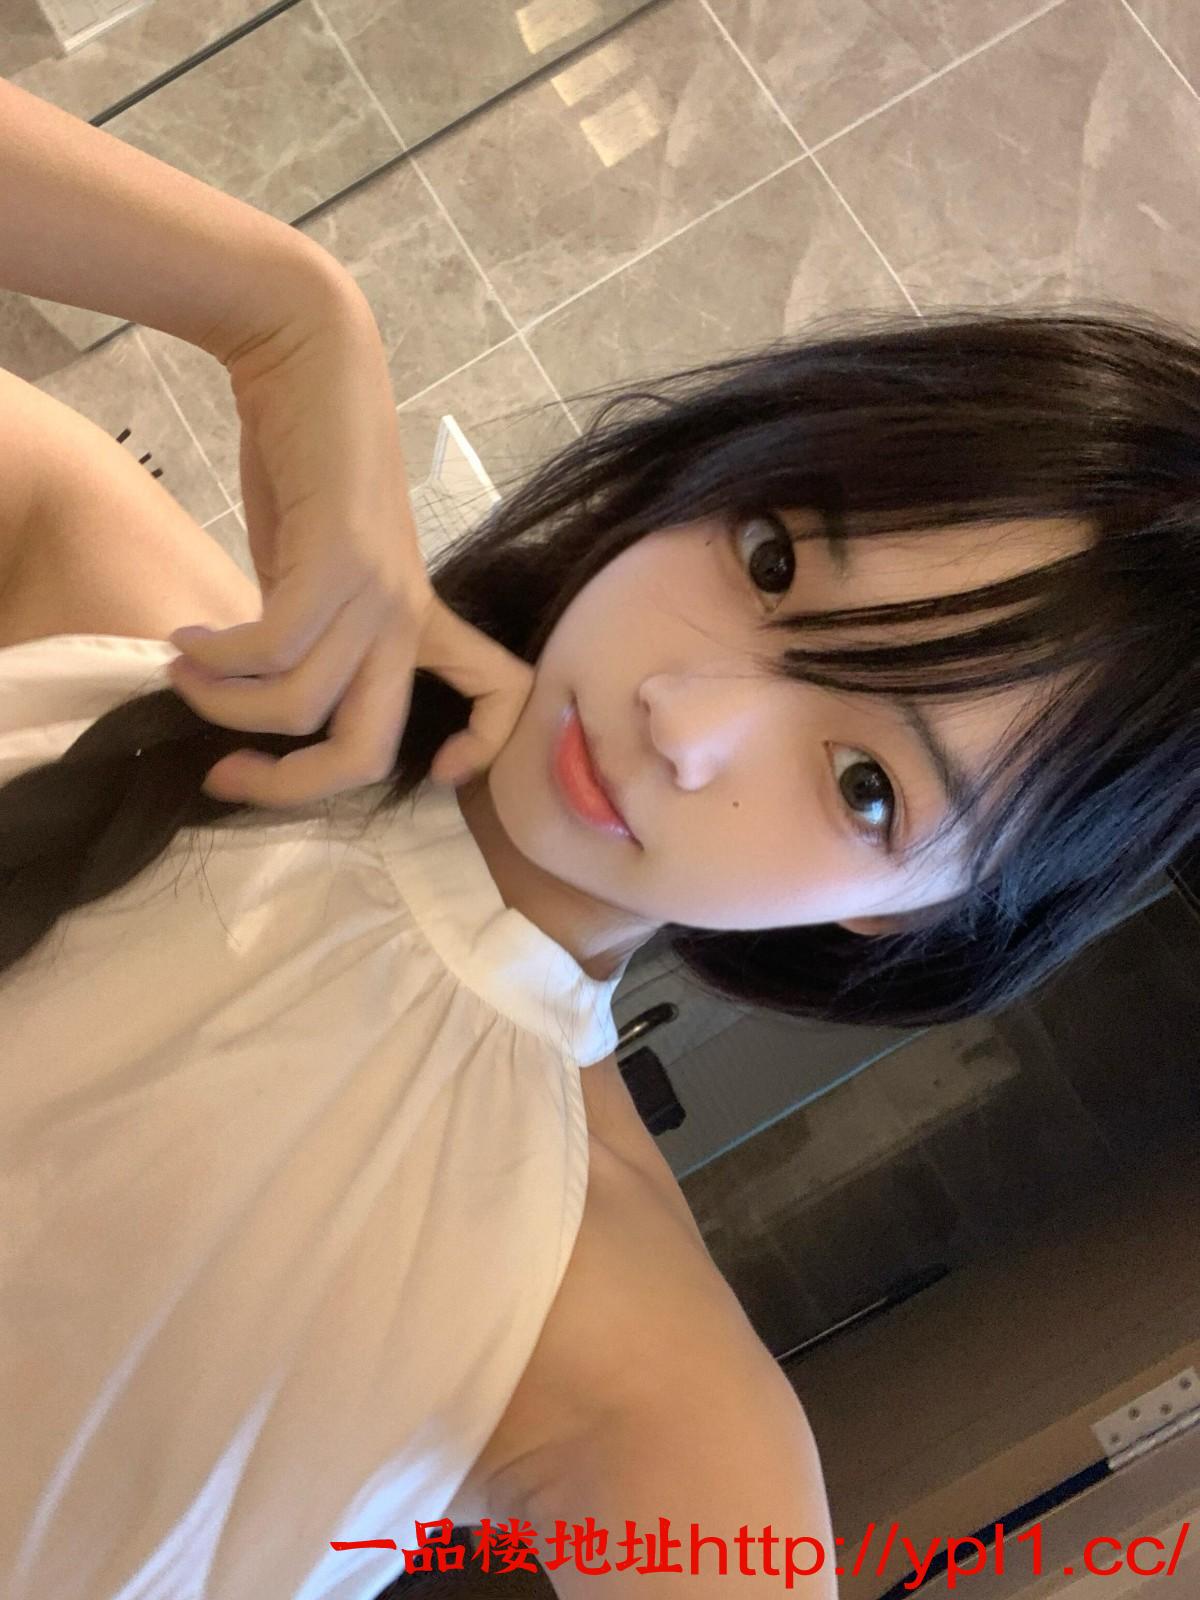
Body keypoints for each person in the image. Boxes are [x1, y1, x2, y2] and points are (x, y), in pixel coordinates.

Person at [2, 79, 1199, 1600]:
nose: (684, 719)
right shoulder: (110, 599)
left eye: (866, 786)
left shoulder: (624, 1357)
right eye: (771, 559)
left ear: (912, 916)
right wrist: (285, 315)